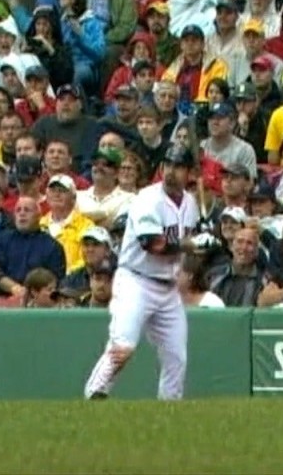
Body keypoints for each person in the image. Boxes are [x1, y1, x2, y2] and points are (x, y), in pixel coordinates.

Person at [83, 145, 200, 401]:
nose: (171, 172)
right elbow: (152, 244)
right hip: (136, 280)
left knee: (176, 356)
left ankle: (169, 410)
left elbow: (192, 239)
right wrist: (190, 245)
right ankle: (94, 395)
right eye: (167, 165)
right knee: (123, 348)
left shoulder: (191, 203)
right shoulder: (147, 199)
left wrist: (206, 243)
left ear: (189, 173)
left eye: (178, 167)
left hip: (168, 287)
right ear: (161, 169)